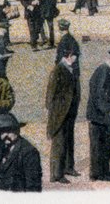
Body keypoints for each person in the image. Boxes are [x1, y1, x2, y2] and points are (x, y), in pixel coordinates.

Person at [86, 44, 110, 182]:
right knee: (98, 146)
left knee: (107, 144)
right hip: (99, 117)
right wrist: (107, 112)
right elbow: (99, 95)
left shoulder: (108, 70)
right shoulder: (104, 70)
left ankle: (105, 170)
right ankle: (97, 173)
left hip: (105, 116)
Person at [45, 49, 80, 183]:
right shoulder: (58, 70)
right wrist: (55, 113)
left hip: (69, 113)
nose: (77, 58)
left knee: (69, 141)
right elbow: (50, 96)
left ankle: (68, 167)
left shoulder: (70, 68)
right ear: (70, 56)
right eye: (75, 55)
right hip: (60, 114)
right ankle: (56, 174)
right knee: (59, 143)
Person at [0, 112, 43, 192]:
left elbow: (33, 186)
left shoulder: (29, 152)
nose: (5, 135)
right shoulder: (3, 149)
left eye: (9, 131)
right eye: (2, 131)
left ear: (17, 130)